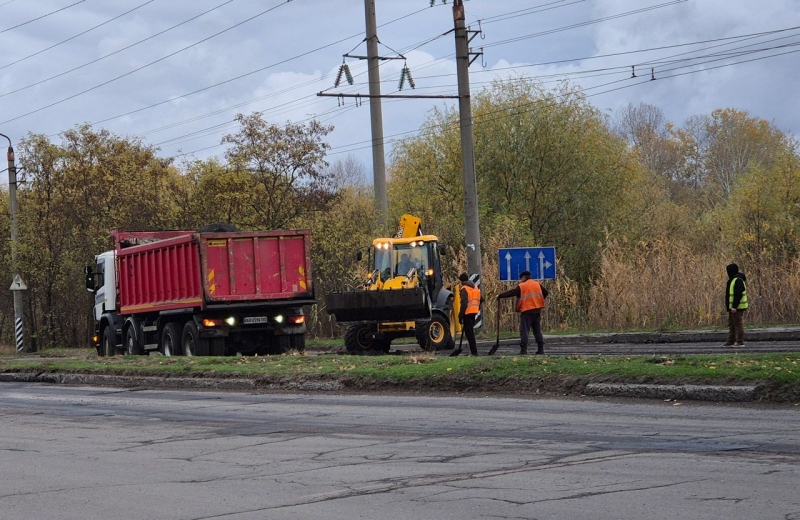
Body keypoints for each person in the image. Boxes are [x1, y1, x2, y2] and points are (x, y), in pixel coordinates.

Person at [497, 270, 548, 355]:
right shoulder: (537, 284)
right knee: (537, 330)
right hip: (537, 310)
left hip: (527, 310)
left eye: (521, 278)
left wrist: (500, 295)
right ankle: (541, 349)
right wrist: (538, 300)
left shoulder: (522, 286)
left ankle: (523, 350)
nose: (521, 280)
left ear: (524, 277)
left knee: (524, 331)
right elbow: (546, 292)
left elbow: (512, 292)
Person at [457, 273, 483, 356]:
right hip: (474, 311)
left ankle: (474, 352)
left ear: (461, 281)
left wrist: (460, 316)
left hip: (467, 312)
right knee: (470, 332)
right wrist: (477, 307)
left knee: (469, 333)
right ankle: (474, 351)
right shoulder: (475, 287)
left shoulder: (464, 289)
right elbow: (481, 299)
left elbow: (464, 303)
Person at [724, 263, 748, 347]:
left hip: (737, 307)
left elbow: (738, 294)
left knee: (737, 324)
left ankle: (740, 342)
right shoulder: (734, 279)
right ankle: (731, 341)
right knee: (732, 324)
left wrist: (734, 306)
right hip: (732, 307)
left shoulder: (737, 280)